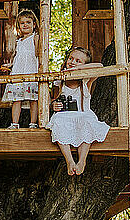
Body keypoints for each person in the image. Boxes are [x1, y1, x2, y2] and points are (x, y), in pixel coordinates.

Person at [46, 47, 109, 175]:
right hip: (64, 115)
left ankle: (82, 160)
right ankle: (69, 160)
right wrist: (53, 105)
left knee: (87, 124)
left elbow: (100, 66)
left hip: (82, 114)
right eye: (71, 58)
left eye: (78, 61)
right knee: (57, 122)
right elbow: (53, 99)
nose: (72, 62)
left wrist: (78, 69)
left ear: (85, 65)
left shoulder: (86, 80)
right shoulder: (60, 80)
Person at [1, 9, 40, 129]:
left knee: (33, 99)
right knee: (16, 99)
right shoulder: (19, 41)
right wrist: (10, 65)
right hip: (18, 72)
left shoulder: (35, 37)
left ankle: (33, 123)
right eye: (22, 23)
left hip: (31, 71)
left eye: (28, 22)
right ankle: (14, 123)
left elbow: (38, 54)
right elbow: (18, 57)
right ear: (19, 26)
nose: (25, 25)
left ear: (34, 24)